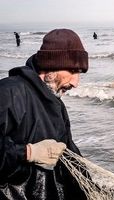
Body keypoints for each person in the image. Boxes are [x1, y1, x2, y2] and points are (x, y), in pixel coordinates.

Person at [0, 29, 89, 199]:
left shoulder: (57, 105)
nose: (76, 83)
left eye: (80, 74)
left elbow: (72, 159)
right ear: (51, 65)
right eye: (72, 71)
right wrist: (28, 153)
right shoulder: (10, 92)